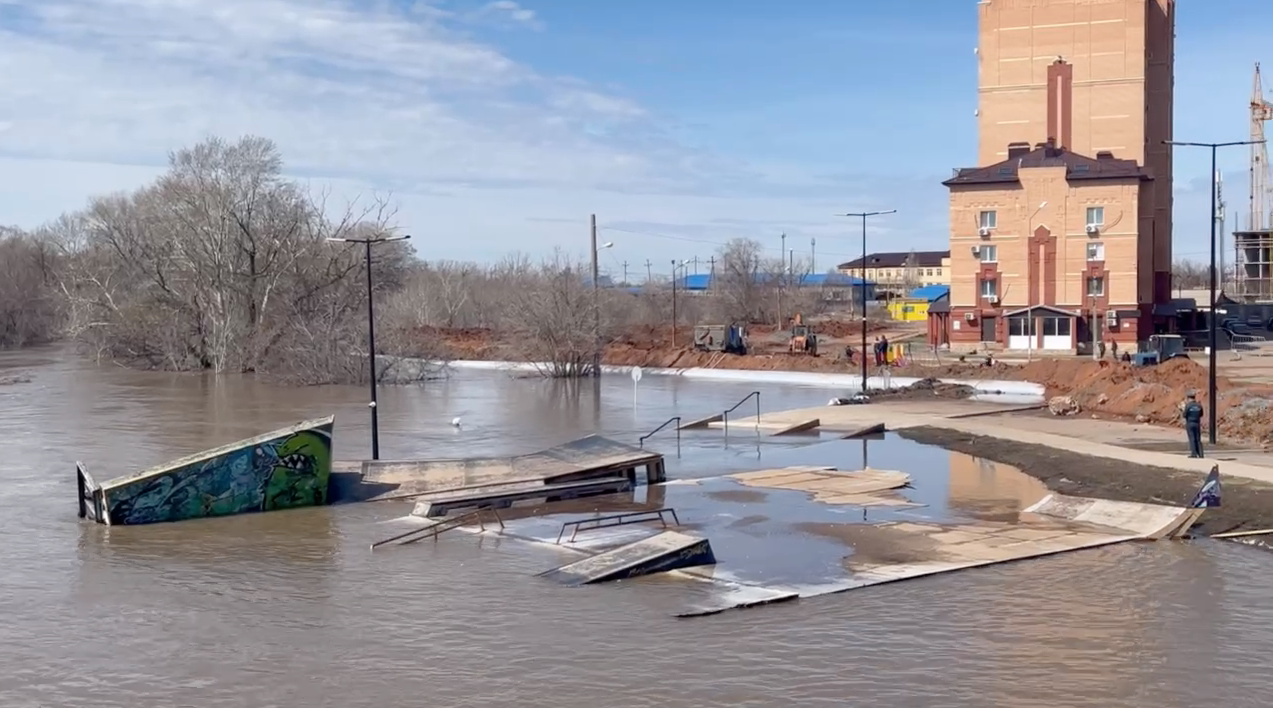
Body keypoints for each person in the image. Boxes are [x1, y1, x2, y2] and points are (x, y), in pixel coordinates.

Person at [1182, 392, 1205, 458]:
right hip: (1197, 423)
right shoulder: (1199, 405)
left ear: (1188, 398)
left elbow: (1184, 415)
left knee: (1192, 438)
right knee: (1198, 439)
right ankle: (1201, 454)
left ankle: (1194, 453)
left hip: (1190, 423)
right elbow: (1201, 414)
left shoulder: (1188, 406)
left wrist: (1182, 410)